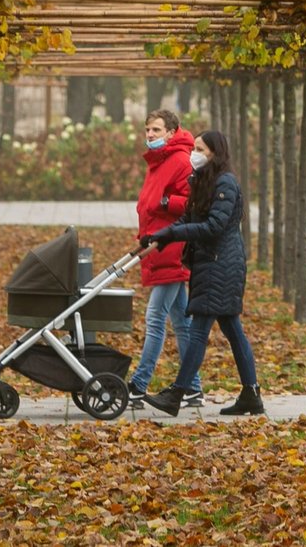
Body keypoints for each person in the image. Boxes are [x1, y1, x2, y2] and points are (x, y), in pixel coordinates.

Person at [137, 129, 264, 417]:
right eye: (194, 148)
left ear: (215, 154)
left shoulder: (225, 184)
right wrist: (160, 235)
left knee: (198, 330)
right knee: (232, 330)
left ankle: (178, 392)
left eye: (200, 149)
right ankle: (251, 394)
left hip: (221, 264)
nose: (194, 154)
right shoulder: (203, 181)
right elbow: (189, 217)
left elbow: (213, 227)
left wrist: (173, 233)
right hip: (212, 262)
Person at [129, 109, 203, 408]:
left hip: (171, 248)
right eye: (147, 130)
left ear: (172, 132)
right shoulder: (157, 162)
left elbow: (192, 205)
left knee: (155, 318)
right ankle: (193, 388)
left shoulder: (181, 162)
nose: (150, 135)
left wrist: (164, 202)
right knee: (182, 323)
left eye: (156, 130)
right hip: (158, 246)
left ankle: (138, 384)